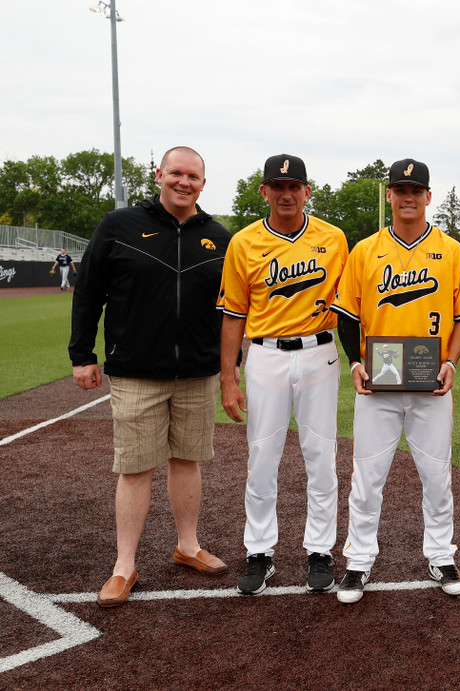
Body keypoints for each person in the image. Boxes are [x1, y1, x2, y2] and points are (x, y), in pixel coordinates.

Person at [69, 146, 231, 608]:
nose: (184, 182)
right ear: (159, 174)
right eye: (176, 173)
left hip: (197, 373)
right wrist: (83, 354)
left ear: (204, 182)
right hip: (136, 371)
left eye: (193, 176)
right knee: (135, 466)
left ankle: (188, 545)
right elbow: (89, 292)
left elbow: (231, 309)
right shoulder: (118, 226)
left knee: (188, 460)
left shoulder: (219, 237)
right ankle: (124, 566)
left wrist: (229, 365)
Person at [332, 158, 460, 604]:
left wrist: (451, 361)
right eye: (400, 190)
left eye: (416, 190)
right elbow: (347, 315)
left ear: (428, 196)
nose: (408, 197)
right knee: (367, 475)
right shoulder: (365, 250)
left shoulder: (451, 251)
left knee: (437, 476)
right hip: (378, 383)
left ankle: (440, 554)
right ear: (390, 196)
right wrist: (356, 362)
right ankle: (358, 561)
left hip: (428, 381)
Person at [218, 154, 348, 596]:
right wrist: (228, 377)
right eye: (278, 186)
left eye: (295, 186)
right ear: (265, 192)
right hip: (266, 355)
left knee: (321, 457)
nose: (287, 194)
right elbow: (233, 314)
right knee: (262, 457)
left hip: (319, 353)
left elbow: (352, 306)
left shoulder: (334, 239)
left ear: (308, 191)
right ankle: (259, 552)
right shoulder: (244, 242)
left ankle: (320, 550)